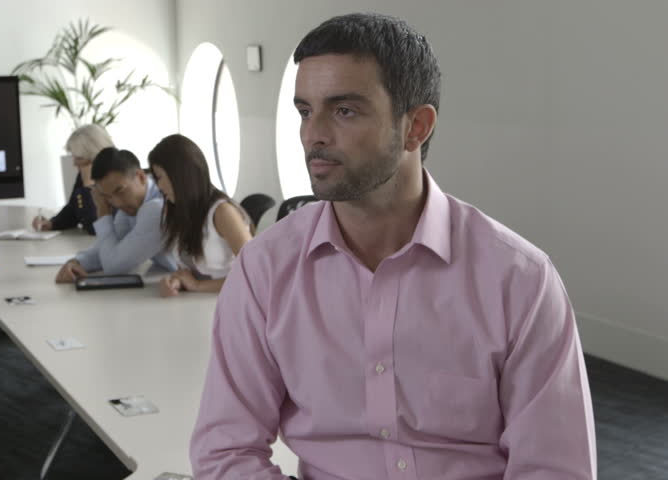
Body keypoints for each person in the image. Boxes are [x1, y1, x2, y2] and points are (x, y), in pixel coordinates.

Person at [190, 13, 596, 480]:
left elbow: (556, 469)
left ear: (416, 127)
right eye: (305, 110)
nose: (312, 134)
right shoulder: (265, 270)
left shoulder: (518, 279)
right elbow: (225, 452)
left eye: (344, 111)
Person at [147, 134, 253, 296]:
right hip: (199, 303)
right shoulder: (179, 211)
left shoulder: (222, 212)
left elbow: (255, 273)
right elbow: (190, 270)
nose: (159, 186)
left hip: (232, 302)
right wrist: (178, 280)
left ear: (180, 174)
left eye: (160, 177)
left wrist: (197, 286)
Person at [55, 147, 175, 283]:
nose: (116, 203)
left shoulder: (156, 209)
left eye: (120, 191)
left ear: (141, 177)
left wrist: (103, 212)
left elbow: (114, 267)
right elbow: (111, 248)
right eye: (107, 197)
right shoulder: (132, 207)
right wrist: (76, 262)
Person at [33, 124, 113, 234]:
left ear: (94, 156)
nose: (74, 163)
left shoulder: (115, 177)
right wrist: (52, 223)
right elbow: (73, 209)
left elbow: (95, 227)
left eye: (79, 158)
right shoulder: (84, 173)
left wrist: (89, 186)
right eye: (73, 157)